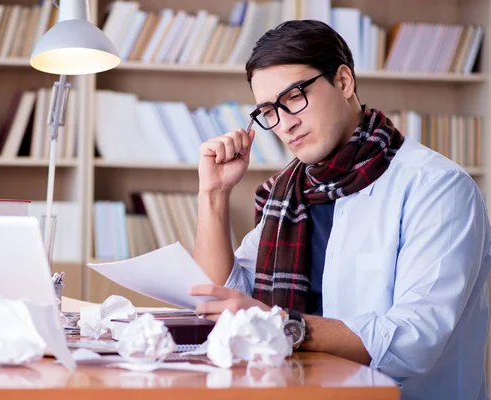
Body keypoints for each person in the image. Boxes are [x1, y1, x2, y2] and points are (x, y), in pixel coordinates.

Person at [189, 20, 491, 400]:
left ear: (344, 81)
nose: (284, 123)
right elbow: (218, 300)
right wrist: (213, 193)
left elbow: (414, 341)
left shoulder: (438, 187)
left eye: (295, 97)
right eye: (269, 111)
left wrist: (282, 324)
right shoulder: (290, 193)